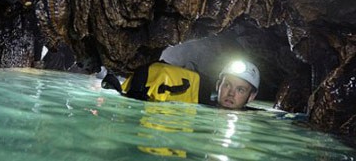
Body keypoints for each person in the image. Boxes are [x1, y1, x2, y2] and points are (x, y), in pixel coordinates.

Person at [102, 60, 260, 110]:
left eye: (240, 90)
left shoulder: (255, 117)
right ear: (218, 85)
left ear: (251, 96)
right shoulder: (197, 103)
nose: (231, 93)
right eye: (227, 85)